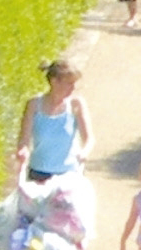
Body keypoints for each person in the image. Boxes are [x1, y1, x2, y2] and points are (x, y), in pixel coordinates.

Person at [14, 60, 93, 191]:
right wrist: (22, 151)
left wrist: (84, 152)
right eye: (69, 83)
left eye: (74, 83)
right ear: (54, 82)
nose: (73, 88)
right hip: (39, 174)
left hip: (68, 174)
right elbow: (24, 139)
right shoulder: (34, 105)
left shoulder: (76, 104)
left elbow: (89, 139)